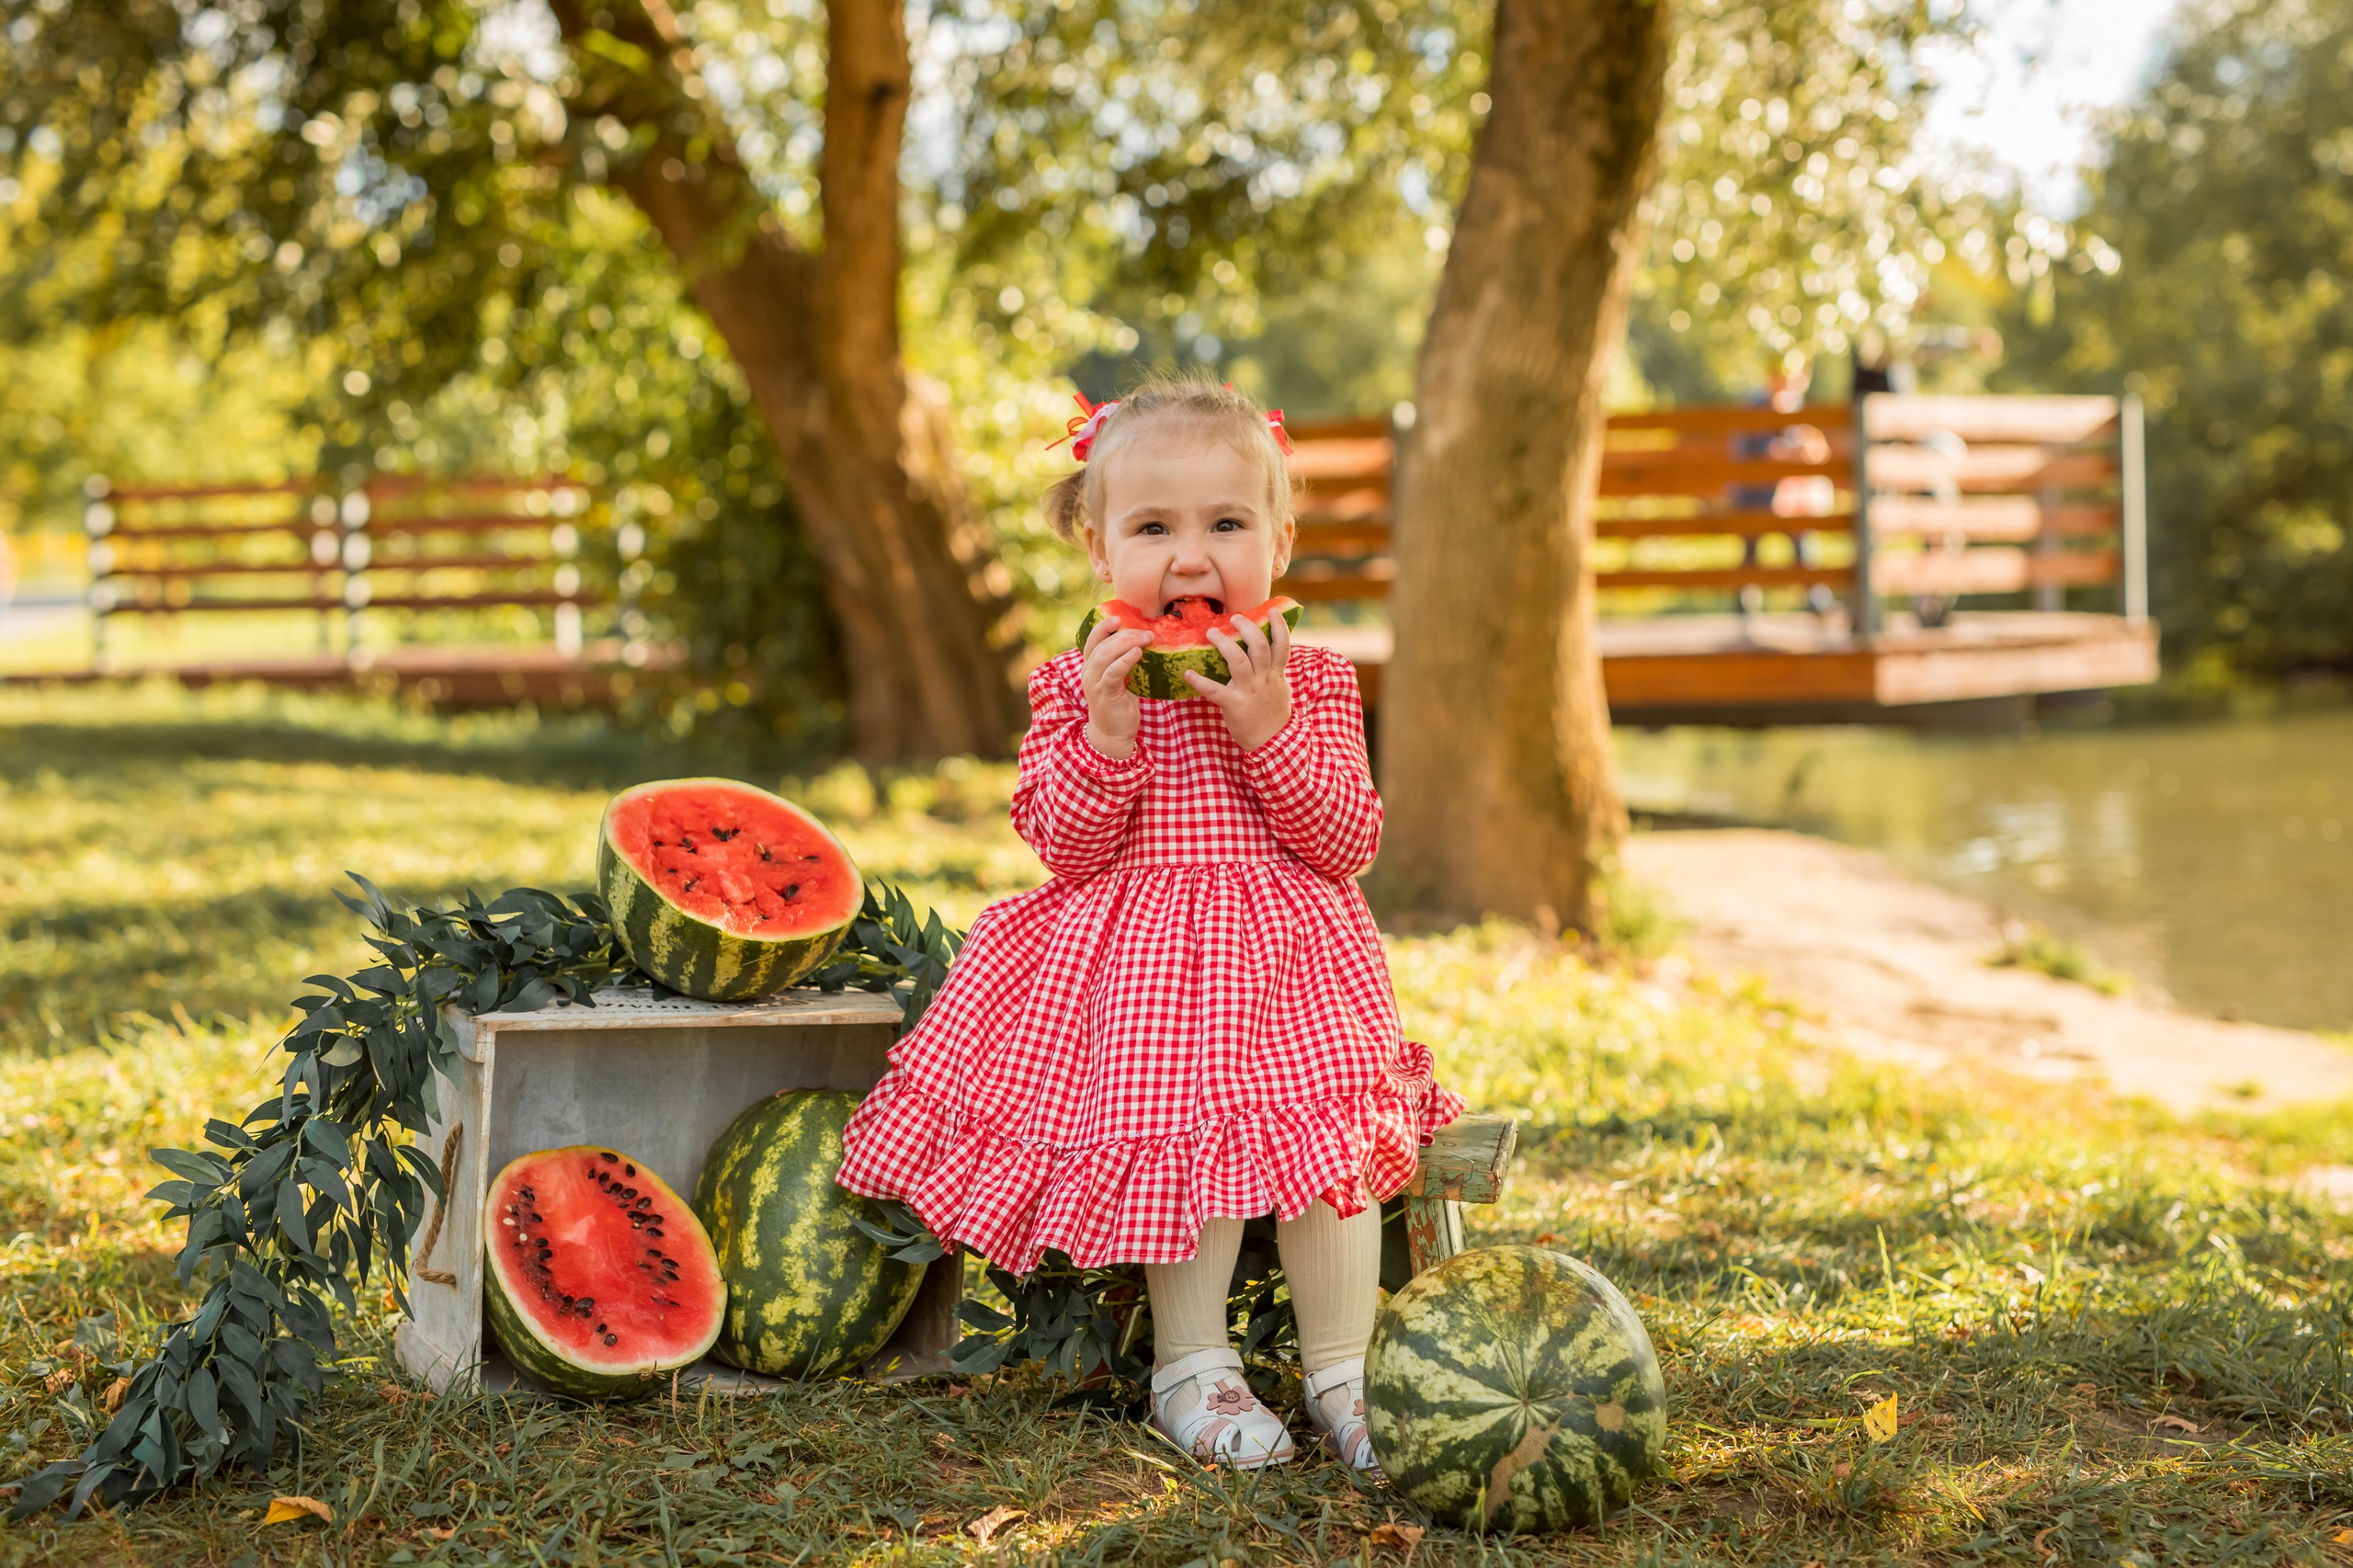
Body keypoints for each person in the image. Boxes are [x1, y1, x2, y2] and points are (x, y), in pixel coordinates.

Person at [835, 375, 1461, 1471]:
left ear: (1279, 535)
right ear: (1096, 545)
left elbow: (1345, 839)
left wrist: (1267, 725)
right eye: (1153, 526)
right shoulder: (1074, 685)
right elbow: (1065, 844)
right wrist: (1109, 728)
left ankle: (1344, 1373)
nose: (1190, 558)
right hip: (1150, 981)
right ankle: (1192, 1364)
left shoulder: (1308, 676)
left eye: (1226, 523)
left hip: (1293, 966)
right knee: (1185, 1150)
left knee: (1327, 1158)